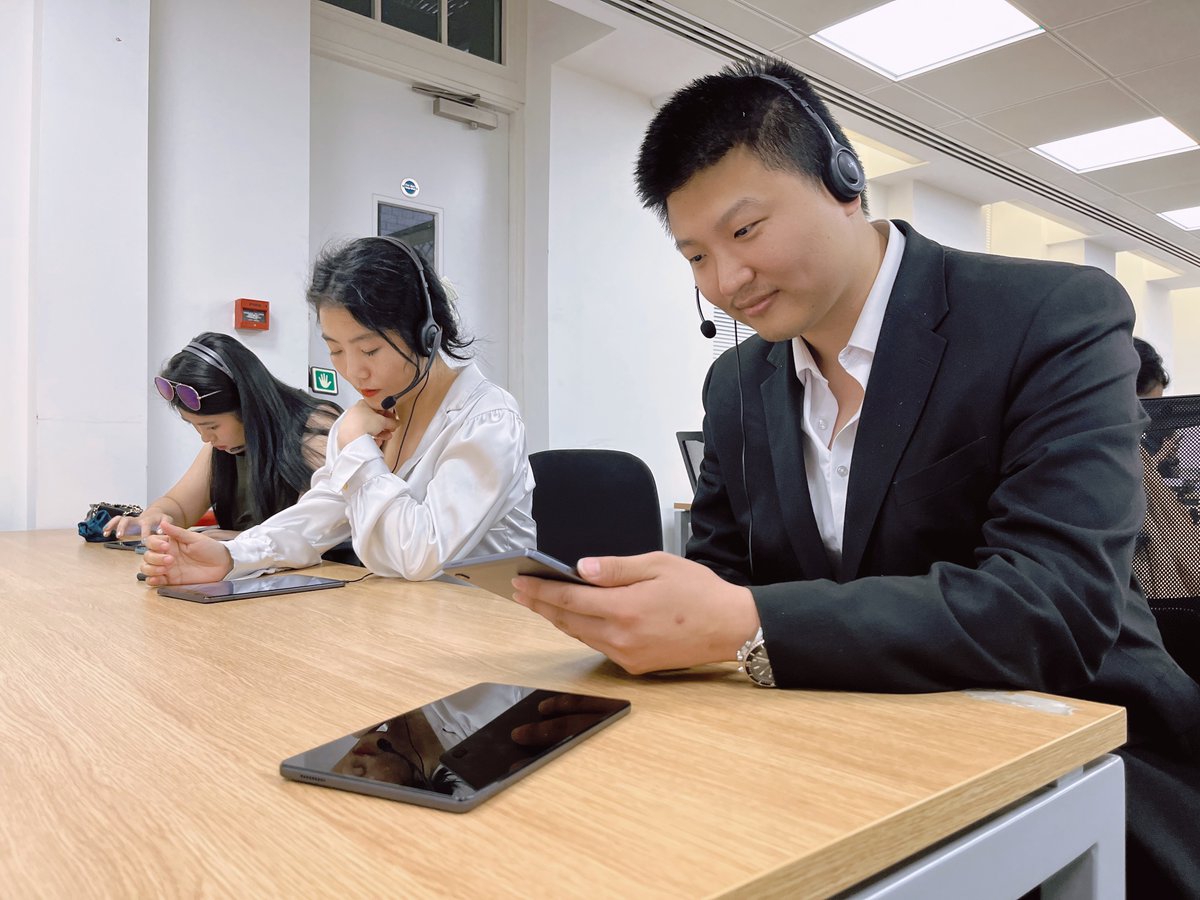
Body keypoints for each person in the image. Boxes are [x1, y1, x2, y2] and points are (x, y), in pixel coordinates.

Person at [512, 58, 1200, 895]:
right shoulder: (736, 386)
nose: (725, 283)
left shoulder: (1051, 315)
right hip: (847, 752)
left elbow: (1053, 608)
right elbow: (728, 578)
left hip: (1076, 755)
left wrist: (741, 623)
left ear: (845, 180)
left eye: (746, 230)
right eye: (694, 255)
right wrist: (660, 618)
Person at [140, 236, 535, 583]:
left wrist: (355, 448)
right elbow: (316, 520)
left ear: (426, 333)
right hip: (405, 622)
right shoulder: (364, 418)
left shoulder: (487, 418)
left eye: (369, 349)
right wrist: (230, 556)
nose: (353, 371)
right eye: (335, 350)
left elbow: (421, 555)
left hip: (486, 627)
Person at [104, 332, 341, 541]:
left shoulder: (316, 428)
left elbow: (316, 529)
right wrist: (152, 518)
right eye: (194, 425)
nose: (205, 438)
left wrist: (241, 540)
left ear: (248, 407)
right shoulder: (227, 446)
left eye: (212, 426)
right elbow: (179, 506)